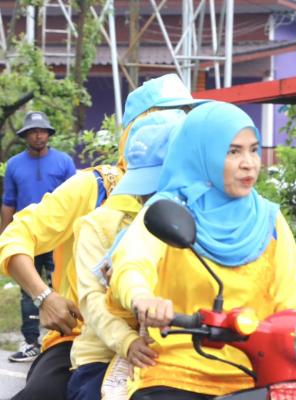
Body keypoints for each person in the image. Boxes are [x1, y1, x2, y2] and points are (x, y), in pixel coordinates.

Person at [106, 101, 296, 400]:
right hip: (176, 374)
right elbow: (132, 264)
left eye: (253, 150)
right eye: (233, 151)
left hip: (256, 374)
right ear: (202, 153)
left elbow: (293, 294)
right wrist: (143, 298)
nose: (249, 163)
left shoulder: (268, 219)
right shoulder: (169, 210)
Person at [0, 73, 207, 400]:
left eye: (186, 115)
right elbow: (15, 236)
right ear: (137, 128)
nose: (180, 125)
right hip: (84, 335)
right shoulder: (95, 187)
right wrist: (44, 297)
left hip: (173, 339)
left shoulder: (202, 194)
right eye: (171, 114)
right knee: (42, 394)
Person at [67, 109, 186, 400]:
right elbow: (92, 299)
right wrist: (127, 342)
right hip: (107, 353)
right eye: (143, 189)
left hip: (186, 352)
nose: (145, 198)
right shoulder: (100, 226)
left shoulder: (217, 222)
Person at [1, 111, 76, 362]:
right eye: (33, 131)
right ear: (25, 135)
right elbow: (8, 203)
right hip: (27, 238)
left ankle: (65, 340)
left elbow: (76, 201)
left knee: (62, 286)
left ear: (48, 134)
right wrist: (4, 236)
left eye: (42, 131)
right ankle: (31, 342)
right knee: (29, 291)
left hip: (59, 238)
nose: (38, 135)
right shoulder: (14, 164)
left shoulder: (64, 162)